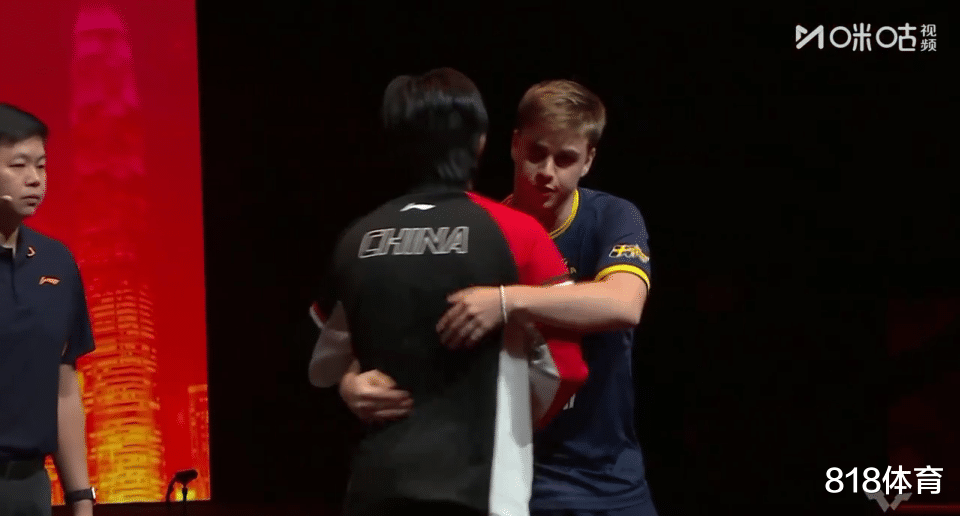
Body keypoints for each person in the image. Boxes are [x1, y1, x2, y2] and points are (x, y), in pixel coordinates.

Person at [340, 79, 657, 516]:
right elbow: (412, 322)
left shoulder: (613, 217)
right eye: (536, 153)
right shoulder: (479, 230)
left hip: (609, 475)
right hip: (512, 473)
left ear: (588, 160)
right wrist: (351, 380)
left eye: (565, 159)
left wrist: (506, 301)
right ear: (514, 144)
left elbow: (624, 304)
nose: (547, 171)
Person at [307, 69, 588, 516]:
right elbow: (566, 368)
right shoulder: (518, 235)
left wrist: (347, 384)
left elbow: (322, 365)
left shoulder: (355, 239)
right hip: (482, 493)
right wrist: (514, 425)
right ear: (480, 143)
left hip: (376, 488)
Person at [0, 104, 96, 515]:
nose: (35, 179)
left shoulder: (57, 263)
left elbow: (63, 387)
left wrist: (81, 498)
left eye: (40, 165)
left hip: (30, 489)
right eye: (18, 165)